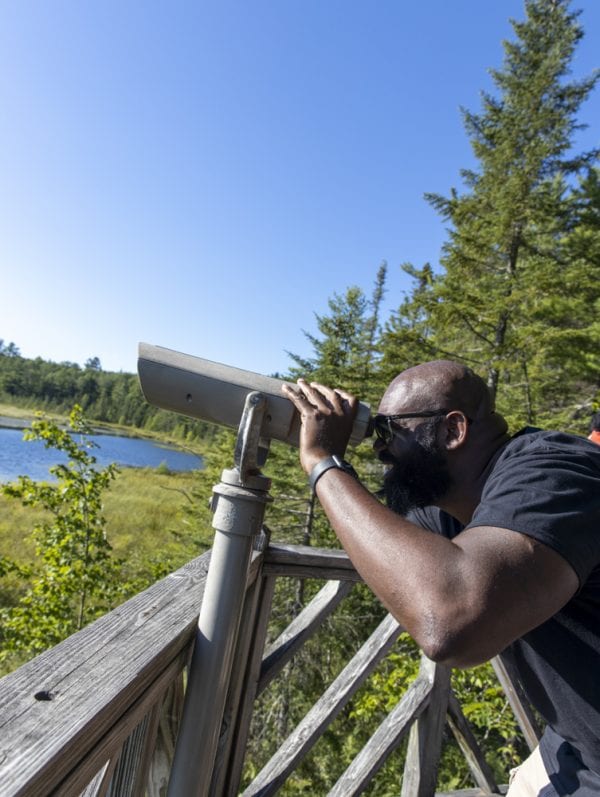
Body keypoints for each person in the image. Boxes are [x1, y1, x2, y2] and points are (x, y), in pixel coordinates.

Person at [282, 361, 600, 796]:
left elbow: (449, 625)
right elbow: (385, 543)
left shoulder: (554, 475)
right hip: (567, 749)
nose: (380, 449)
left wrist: (323, 464)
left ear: (453, 430)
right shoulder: (456, 502)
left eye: (389, 431)